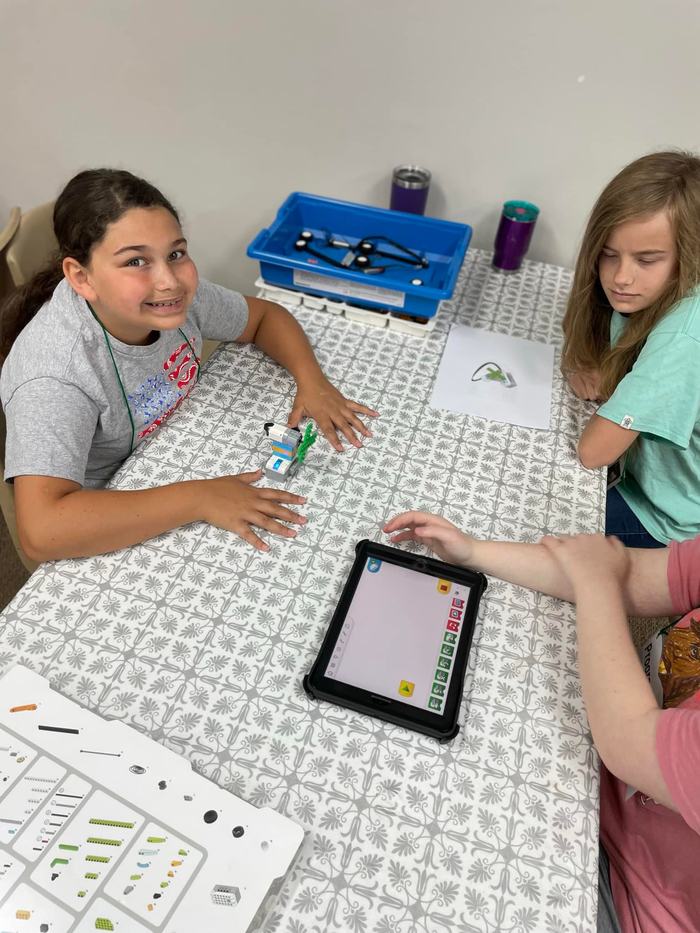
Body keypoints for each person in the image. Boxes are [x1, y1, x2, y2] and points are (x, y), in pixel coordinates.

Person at [0, 168, 378, 560]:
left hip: (174, 457)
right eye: (136, 261)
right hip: (107, 514)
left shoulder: (171, 299)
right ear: (81, 277)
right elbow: (42, 531)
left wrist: (312, 381)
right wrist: (200, 497)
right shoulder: (53, 374)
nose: (169, 280)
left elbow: (265, 317)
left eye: (175, 254)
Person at [383, 510, 700, 932]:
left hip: (626, 902)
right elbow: (634, 576)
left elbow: (629, 741)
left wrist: (595, 580)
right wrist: (472, 552)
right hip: (596, 767)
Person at [560, 150, 700, 548]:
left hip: (670, 520)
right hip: (637, 478)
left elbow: (593, 452)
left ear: (690, 255)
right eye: (608, 255)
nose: (621, 278)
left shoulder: (686, 335)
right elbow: (591, 366)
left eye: (646, 260)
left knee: (531, 527)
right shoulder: (650, 295)